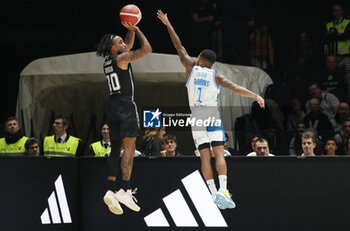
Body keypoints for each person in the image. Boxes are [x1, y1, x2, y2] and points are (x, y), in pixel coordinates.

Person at [157, 9, 265, 210]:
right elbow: (236, 88)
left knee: (205, 156)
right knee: (220, 154)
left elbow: (178, 46)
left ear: (199, 58)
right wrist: (255, 95)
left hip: (197, 117)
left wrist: (168, 24)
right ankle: (224, 190)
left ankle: (213, 192)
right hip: (213, 116)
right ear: (212, 63)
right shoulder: (216, 76)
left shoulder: (190, 67)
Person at [96, 20, 152, 215]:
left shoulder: (108, 61)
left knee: (115, 149)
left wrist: (129, 31)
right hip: (126, 105)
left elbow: (127, 47)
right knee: (129, 148)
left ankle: (110, 190)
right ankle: (125, 190)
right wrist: (137, 29)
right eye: (120, 42)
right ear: (113, 48)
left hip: (112, 106)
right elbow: (147, 49)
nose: (124, 45)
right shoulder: (122, 59)